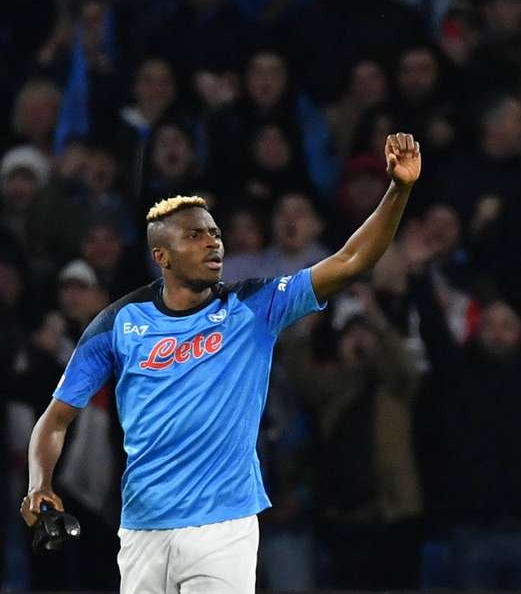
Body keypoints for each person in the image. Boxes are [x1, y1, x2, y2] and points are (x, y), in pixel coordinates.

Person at [18, 133, 421, 593]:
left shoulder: (254, 306)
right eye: (196, 235)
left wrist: (399, 190)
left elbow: (349, 261)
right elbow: (56, 418)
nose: (213, 243)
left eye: (215, 233)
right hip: (140, 529)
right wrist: (39, 482)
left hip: (222, 527)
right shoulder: (118, 323)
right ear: (161, 256)